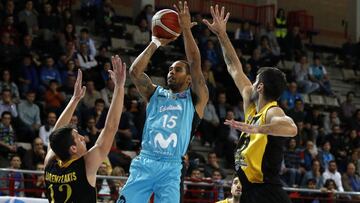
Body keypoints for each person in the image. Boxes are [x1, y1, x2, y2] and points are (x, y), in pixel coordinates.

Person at [203, 5, 297, 203]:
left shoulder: (272, 110)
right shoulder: (251, 105)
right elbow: (233, 67)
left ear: (260, 87)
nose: (250, 83)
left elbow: (291, 128)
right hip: (248, 190)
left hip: (266, 191)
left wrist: (258, 128)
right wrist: (222, 35)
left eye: (254, 80)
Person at [118, 2, 208, 202]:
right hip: (146, 161)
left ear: (189, 79)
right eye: (170, 69)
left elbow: (195, 62)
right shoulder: (155, 94)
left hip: (171, 167)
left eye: (177, 70)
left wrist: (185, 29)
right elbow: (134, 72)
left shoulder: (195, 99)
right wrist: (155, 42)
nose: (171, 72)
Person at [44, 55, 126, 202]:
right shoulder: (86, 165)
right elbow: (111, 127)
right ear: (73, 149)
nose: (82, 137)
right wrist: (119, 87)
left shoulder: (50, 164)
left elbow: (56, 134)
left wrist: (74, 99)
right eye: (78, 137)